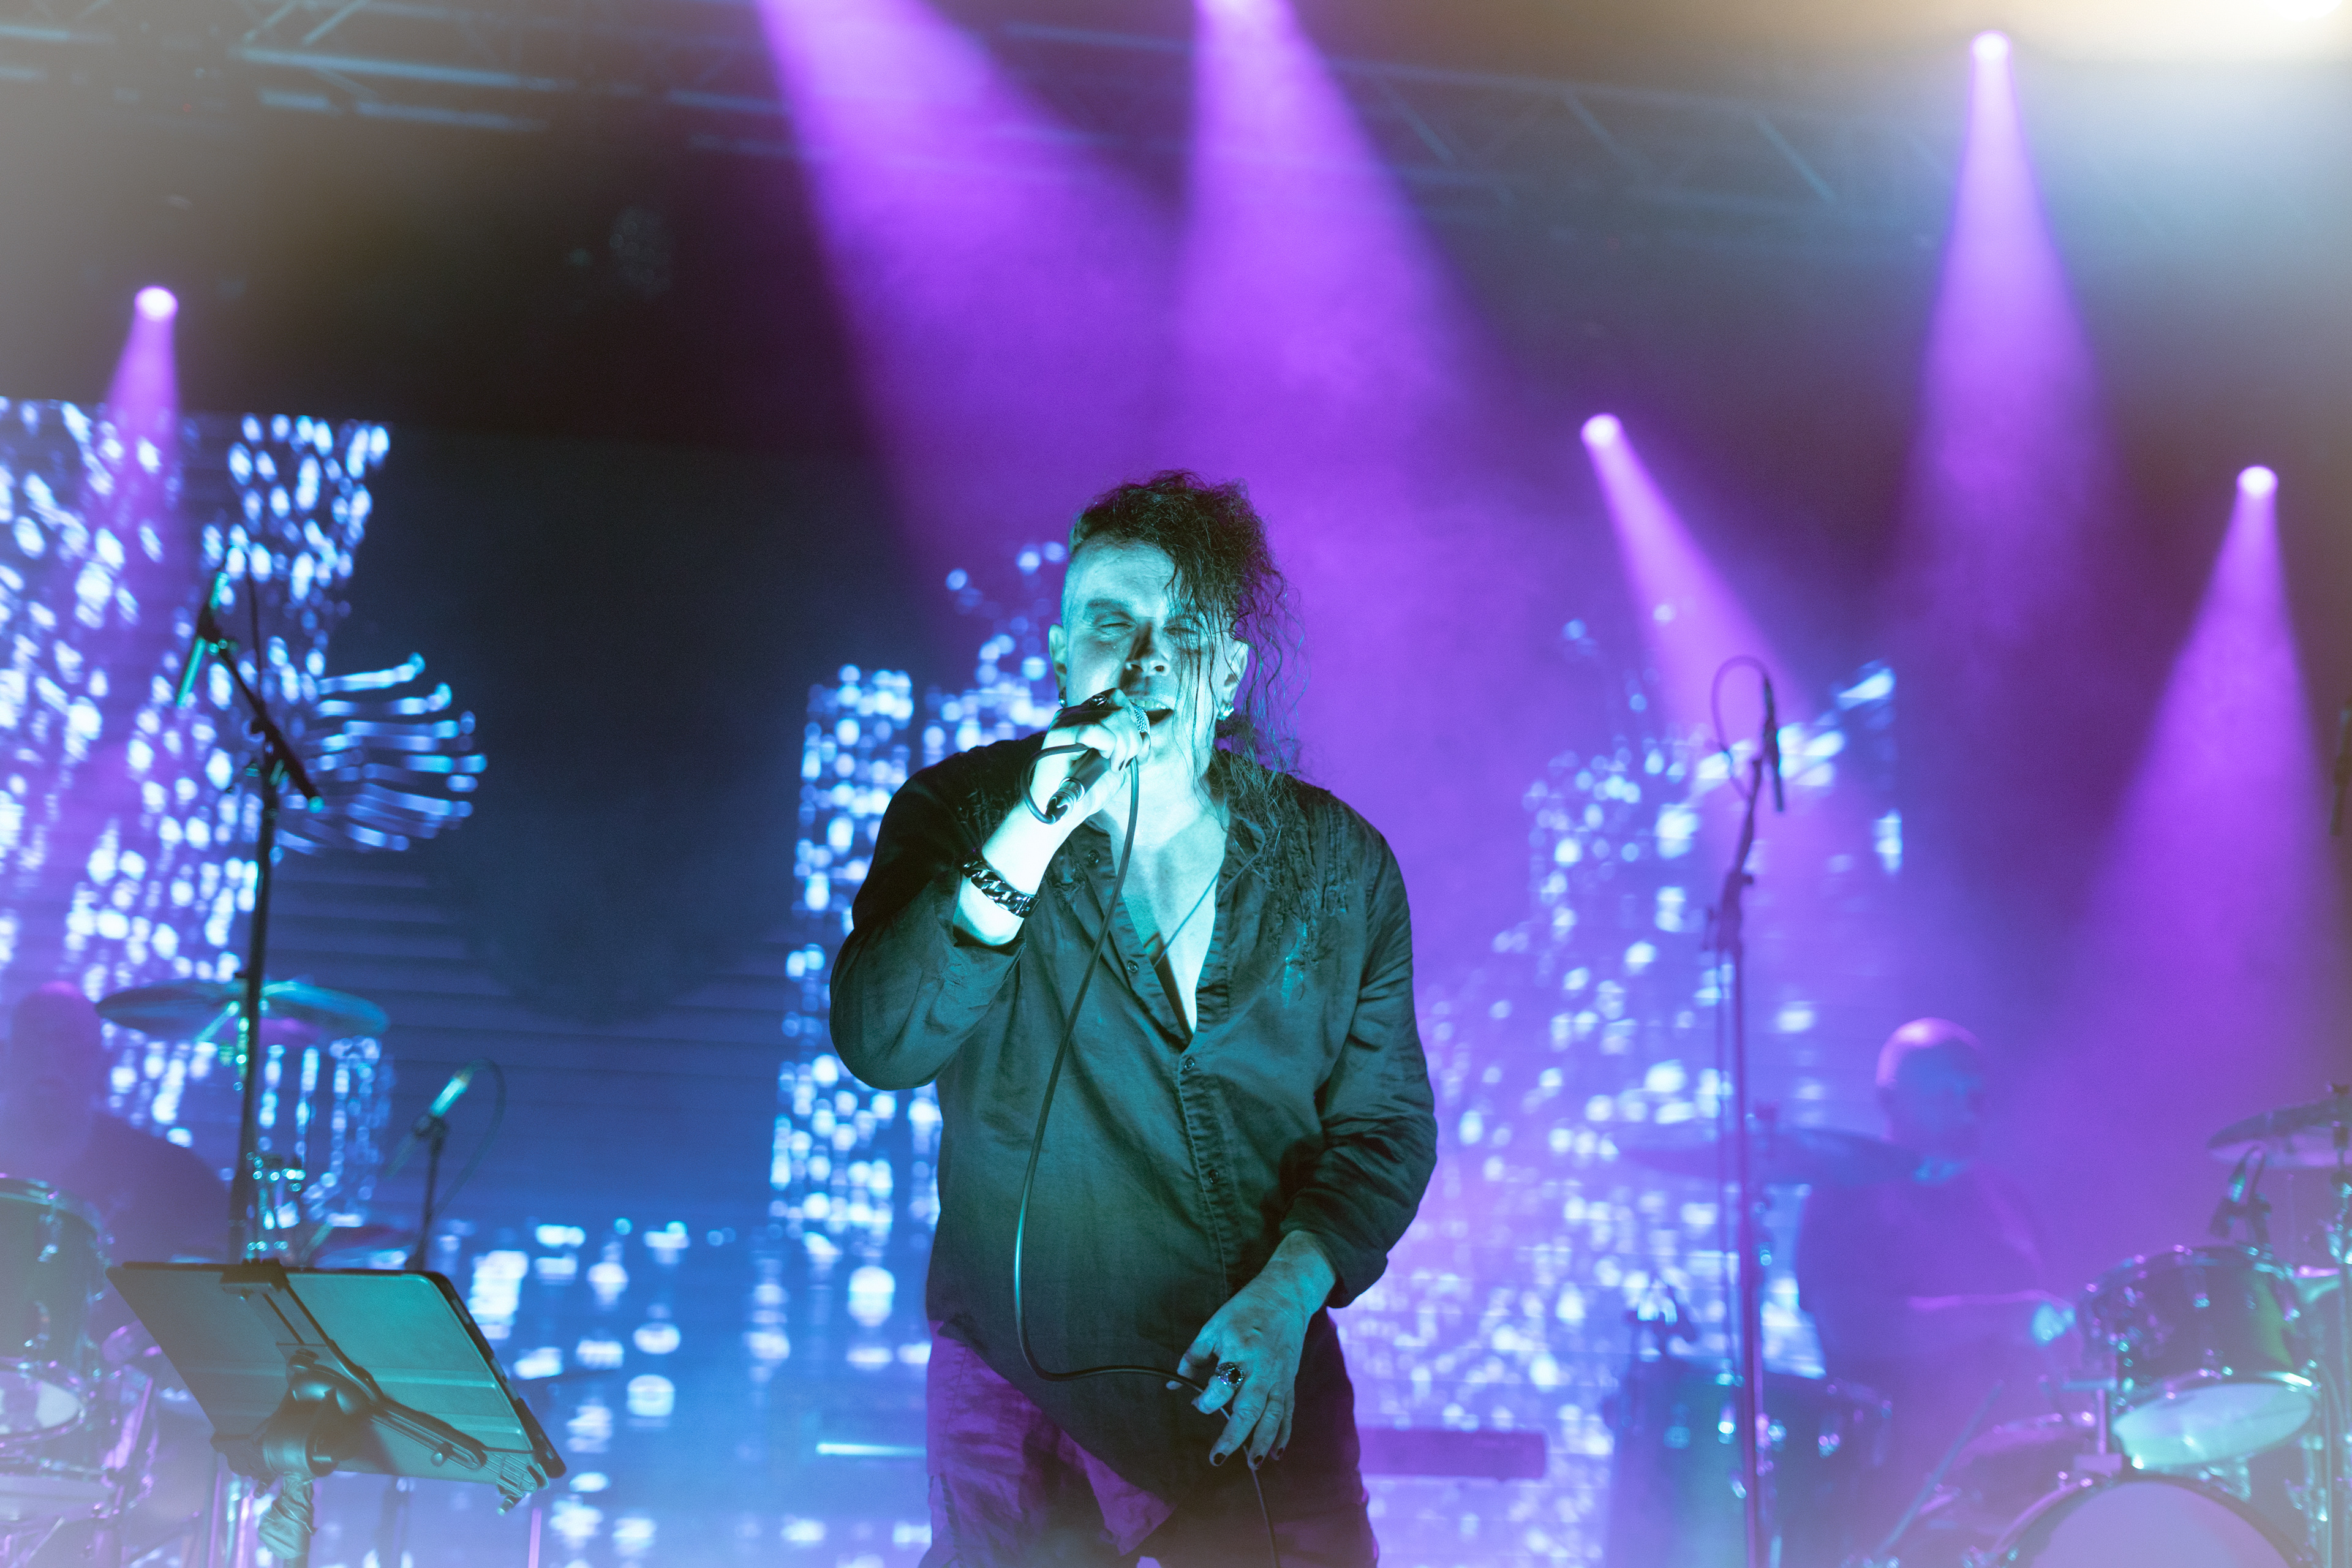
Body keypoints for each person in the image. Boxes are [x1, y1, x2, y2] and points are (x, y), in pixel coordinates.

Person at [832, 472, 1438, 1567]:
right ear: (1062, 654)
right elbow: (882, 1042)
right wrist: (1031, 832)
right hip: (1020, 1389)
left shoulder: (1338, 868)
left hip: (1251, 1371)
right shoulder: (961, 813)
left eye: (1187, 630)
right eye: (1112, 622)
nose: (1149, 655)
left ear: (1231, 672)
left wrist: (1287, 1294)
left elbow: (1386, 1127)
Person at [1795, 1018, 2064, 1547]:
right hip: (1892, 1487)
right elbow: (1855, 1327)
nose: (1965, 1110)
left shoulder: (2005, 1198)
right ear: (1888, 1101)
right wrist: (1999, 1315)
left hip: (2018, 1485)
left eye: (1975, 1095)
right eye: (1944, 1095)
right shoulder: (1844, 1197)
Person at [0, 981, 227, 1268]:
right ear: (5, 1057)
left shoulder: (175, 1178)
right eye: (33, 1042)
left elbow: (217, 1265)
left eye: (69, 1043)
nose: (49, 1057)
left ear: (103, 1063)